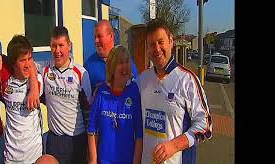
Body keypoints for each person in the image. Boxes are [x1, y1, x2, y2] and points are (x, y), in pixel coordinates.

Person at [139, 19, 212, 164]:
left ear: (171, 41)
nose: (157, 49)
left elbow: (205, 126)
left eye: (161, 42)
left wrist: (174, 146)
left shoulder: (188, 80)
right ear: (147, 49)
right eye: (152, 45)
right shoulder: (142, 79)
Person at [41, 26, 91, 164]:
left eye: (61, 45)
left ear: (69, 46)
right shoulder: (45, 70)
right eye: (53, 46)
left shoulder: (81, 73)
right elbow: (24, 64)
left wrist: (90, 145)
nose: (57, 51)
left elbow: (88, 110)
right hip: (54, 140)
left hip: (77, 140)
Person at [87, 45, 143, 164]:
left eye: (127, 62)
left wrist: (136, 161)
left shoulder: (134, 91)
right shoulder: (101, 92)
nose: (125, 67)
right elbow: (92, 129)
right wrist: (93, 160)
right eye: (120, 62)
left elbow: (139, 133)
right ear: (112, 66)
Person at [0, 40, 40, 164]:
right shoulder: (5, 81)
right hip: (10, 158)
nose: (27, 65)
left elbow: (34, 68)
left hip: (34, 157)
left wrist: (34, 88)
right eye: (22, 60)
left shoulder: (38, 80)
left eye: (29, 58)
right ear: (13, 63)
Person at [84, 20, 139, 92]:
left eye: (99, 36)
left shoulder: (125, 60)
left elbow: (135, 88)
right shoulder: (88, 65)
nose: (96, 41)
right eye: (95, 37)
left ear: (111, 36)